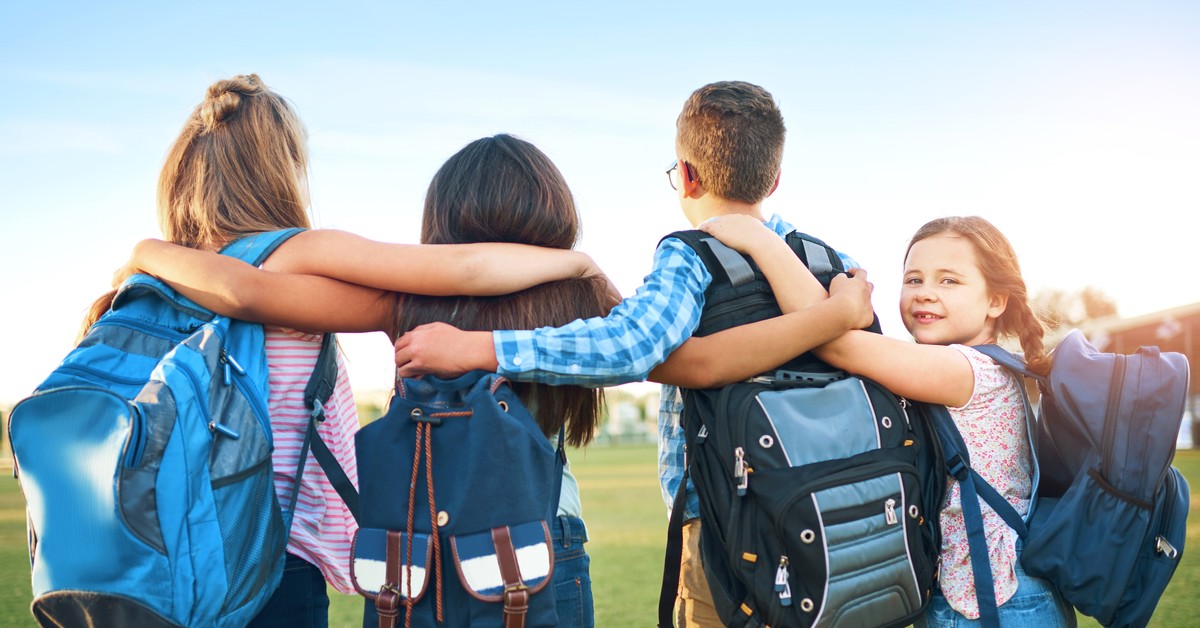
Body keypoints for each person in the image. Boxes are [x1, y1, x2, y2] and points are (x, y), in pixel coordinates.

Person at [109, 75, 608, 628]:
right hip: (528, 536)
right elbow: (461, 275)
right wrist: (577, 265)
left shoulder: (147, 289)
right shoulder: (581, 300)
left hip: (176, 552)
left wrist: (147, 250)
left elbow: (247, 293)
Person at [391, 80, 874, 626]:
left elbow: (632, 344)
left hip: (728, 529)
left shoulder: (693, 256)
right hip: (838, 517)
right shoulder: (831, 262)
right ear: (775, 177)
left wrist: (481, 346)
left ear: (687, 175)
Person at [699, 213, 1076, 627]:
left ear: (995, 301)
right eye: (914, 279)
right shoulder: (969, 365)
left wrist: (763, 243)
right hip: (977, 596)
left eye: (948, 281)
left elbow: (833, 343)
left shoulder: (968, 372)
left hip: (998, 603)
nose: (925, 293)